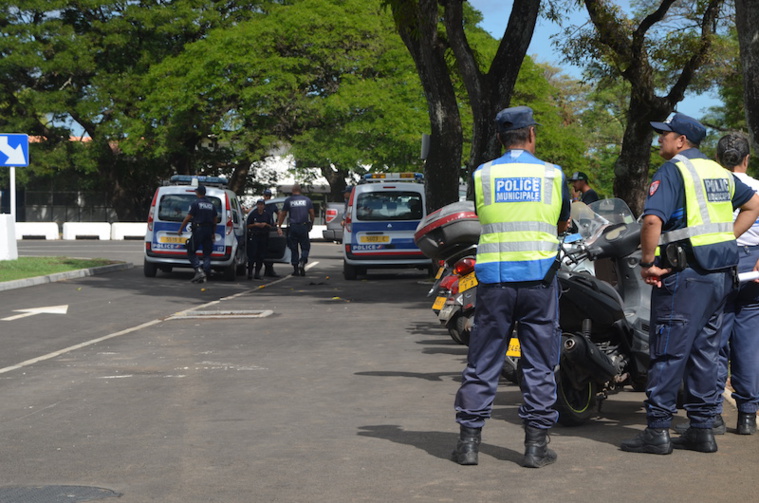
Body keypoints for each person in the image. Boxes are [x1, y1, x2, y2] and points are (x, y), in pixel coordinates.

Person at [620, 113, 759, 455]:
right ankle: (701, 428)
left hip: (685, 276)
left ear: (681, 141)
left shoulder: (673, 171)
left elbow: (652, 219)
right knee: (704, 352)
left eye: (664, 135)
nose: (659, 141)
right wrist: (726, 239)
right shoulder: (717, 171)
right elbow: (753, 204)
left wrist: (648, 263)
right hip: (720, 276)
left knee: (669, 350)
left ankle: (657, 430)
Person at [452, 105, 571, 469]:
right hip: (538, 282)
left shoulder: (483, 175)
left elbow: (482, 214)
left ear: (501, 138)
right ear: (532, 134)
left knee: (483, 360)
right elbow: (563, 218)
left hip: (495, 282)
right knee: (538, 363)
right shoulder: (553, 175)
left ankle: (469, 444)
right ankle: (536, 446)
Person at [676, 132, 759, 436]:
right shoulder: (757, 188)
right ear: (747, 159)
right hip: (754, 266)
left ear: (717, 158)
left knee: (712, 340)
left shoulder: (711, 186)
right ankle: (748, 415)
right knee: (749, 344)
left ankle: (712, 414)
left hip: (719, 263)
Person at [177, 184, 219, 283]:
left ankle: (199, 270)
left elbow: (188, 218)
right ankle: (206, 273)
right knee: (207, 253)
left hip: (199, 230)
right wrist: (213, 232)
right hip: (208, 230)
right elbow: (215, 220)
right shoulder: (211, 205)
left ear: (198, 193)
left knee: (191, 250)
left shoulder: (196, 204)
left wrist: (181, 229)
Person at [277, 184, 315, 277]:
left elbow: (283, 214)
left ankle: (295, 269)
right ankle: (302, 261)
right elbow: (312, 213)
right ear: (300, 190)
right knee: (305, 247)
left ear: (292, 190)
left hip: (293, 226)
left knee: (293, 248)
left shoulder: (289, 200)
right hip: (303, 226)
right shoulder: (307, 200)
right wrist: (311, 223)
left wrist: (279, 226)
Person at [246, 199, 274, 280]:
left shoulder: (267, 215)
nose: (260, 206)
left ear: (264, 206)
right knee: (252, 255)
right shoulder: (253, 214)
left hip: (264, 236)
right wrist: (256, 225)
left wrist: (265, 224)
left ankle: (257, 273)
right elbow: (248, 226)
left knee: (261, 256)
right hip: (254, 236)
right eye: (259, 204)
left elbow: (271, 225)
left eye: (262, 205)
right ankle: (250, 273)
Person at [262, 189, 280, 277]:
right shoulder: (261, 204)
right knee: (264, 249)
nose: (267, 197)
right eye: (265, 195)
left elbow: (279, 213)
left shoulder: (272, 205)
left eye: (268, 196)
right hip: (262, 228)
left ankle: (269, 269)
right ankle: (266, 269)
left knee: (271, 248)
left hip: (271, 227)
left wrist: (277, 222)